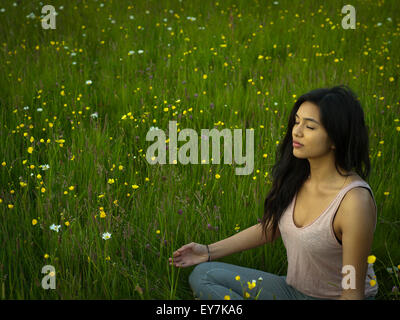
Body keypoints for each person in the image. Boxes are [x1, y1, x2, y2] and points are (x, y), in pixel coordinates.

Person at [168, 85, 378, 300]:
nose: (296, 131)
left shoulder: (354, 202)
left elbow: (352, 291)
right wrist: (208, 251)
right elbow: (272, 227)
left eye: (310, 127)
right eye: (297, 121)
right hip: (293, 292)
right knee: (204, 274)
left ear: (336, 138)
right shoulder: (298, 178)